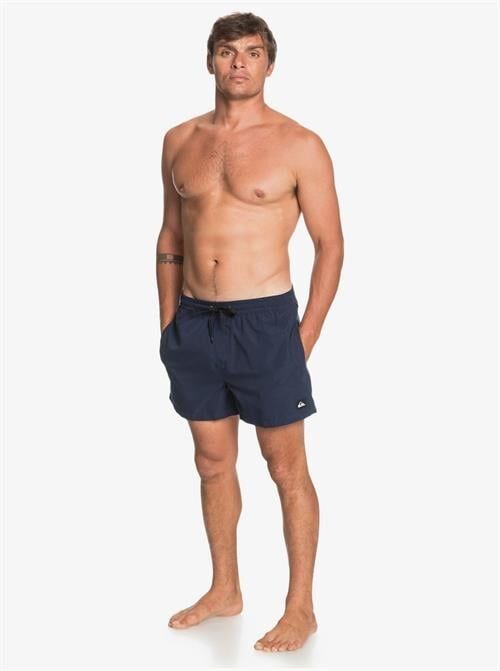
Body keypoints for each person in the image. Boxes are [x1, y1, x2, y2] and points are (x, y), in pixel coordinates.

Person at [156, 11, 344, 653]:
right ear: (210, 60)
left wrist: (303, 337)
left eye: (253, 52)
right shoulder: (179, 140)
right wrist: (168, 324)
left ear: (270, 64)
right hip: (195, 323)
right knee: (212, 463)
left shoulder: (299, 144)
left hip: (266, 323)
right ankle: (225, 589)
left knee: (285, 466)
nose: (239, 62)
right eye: (228, 51)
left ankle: (301, 608)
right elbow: (170, 235)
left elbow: (330, 245)